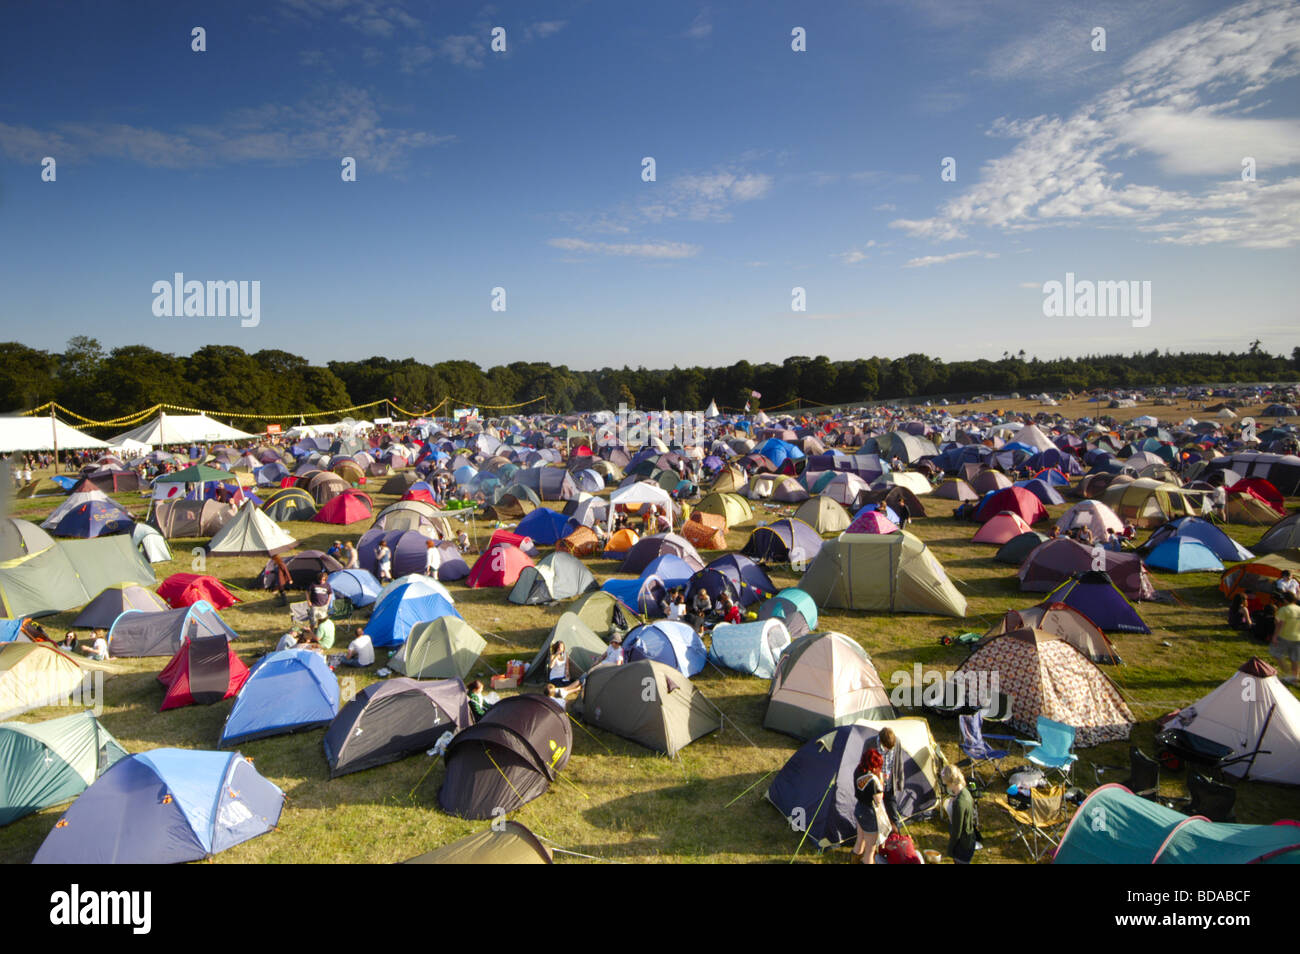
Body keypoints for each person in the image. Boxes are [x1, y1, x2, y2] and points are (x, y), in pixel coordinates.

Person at [851, 748, 891, 864]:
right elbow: (878, 799)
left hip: (859, 808)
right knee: (870, 849)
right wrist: (881, 782)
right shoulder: (872, 781)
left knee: (860, 840)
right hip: (869, 812)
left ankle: (854, 861)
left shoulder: (858, 770)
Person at [942, 764, 978, 863]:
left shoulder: (959, 803)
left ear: (950, 782)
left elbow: (957, 831)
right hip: (969, 839)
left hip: (962, 847)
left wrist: (950, 850)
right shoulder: (965, 792)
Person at [1271, 592, 1300, 685]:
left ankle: (1287, 673)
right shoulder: (1299, 609)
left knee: (1276, 654)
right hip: (1297, 637)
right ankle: (1295, 677)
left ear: (1285, 600)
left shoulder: (1284, 609)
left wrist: (1275, 636)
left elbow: (1280, 623)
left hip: (1285, 636)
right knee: (1295, 658)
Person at [877, 726, 902, 829]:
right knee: (877, 815)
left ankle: (897, 839)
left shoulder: (897, 742)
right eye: (886, 747)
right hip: (877, 786)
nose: (888, 749)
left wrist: (900, 781)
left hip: (890, 785)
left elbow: (899, 762)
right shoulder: (870, 743)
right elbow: (865, 764)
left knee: (893, 812)